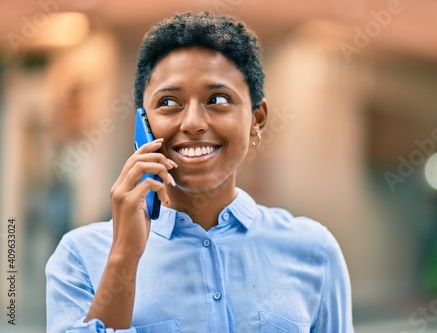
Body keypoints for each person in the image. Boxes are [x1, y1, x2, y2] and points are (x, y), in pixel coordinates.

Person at [46, 11, 354, 333]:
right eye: (168, 102)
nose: (193, 122)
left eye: (217, 99)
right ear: (143, 123)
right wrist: (124, 255)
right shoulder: (80, 256)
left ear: (257, 119)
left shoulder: (315, 250)